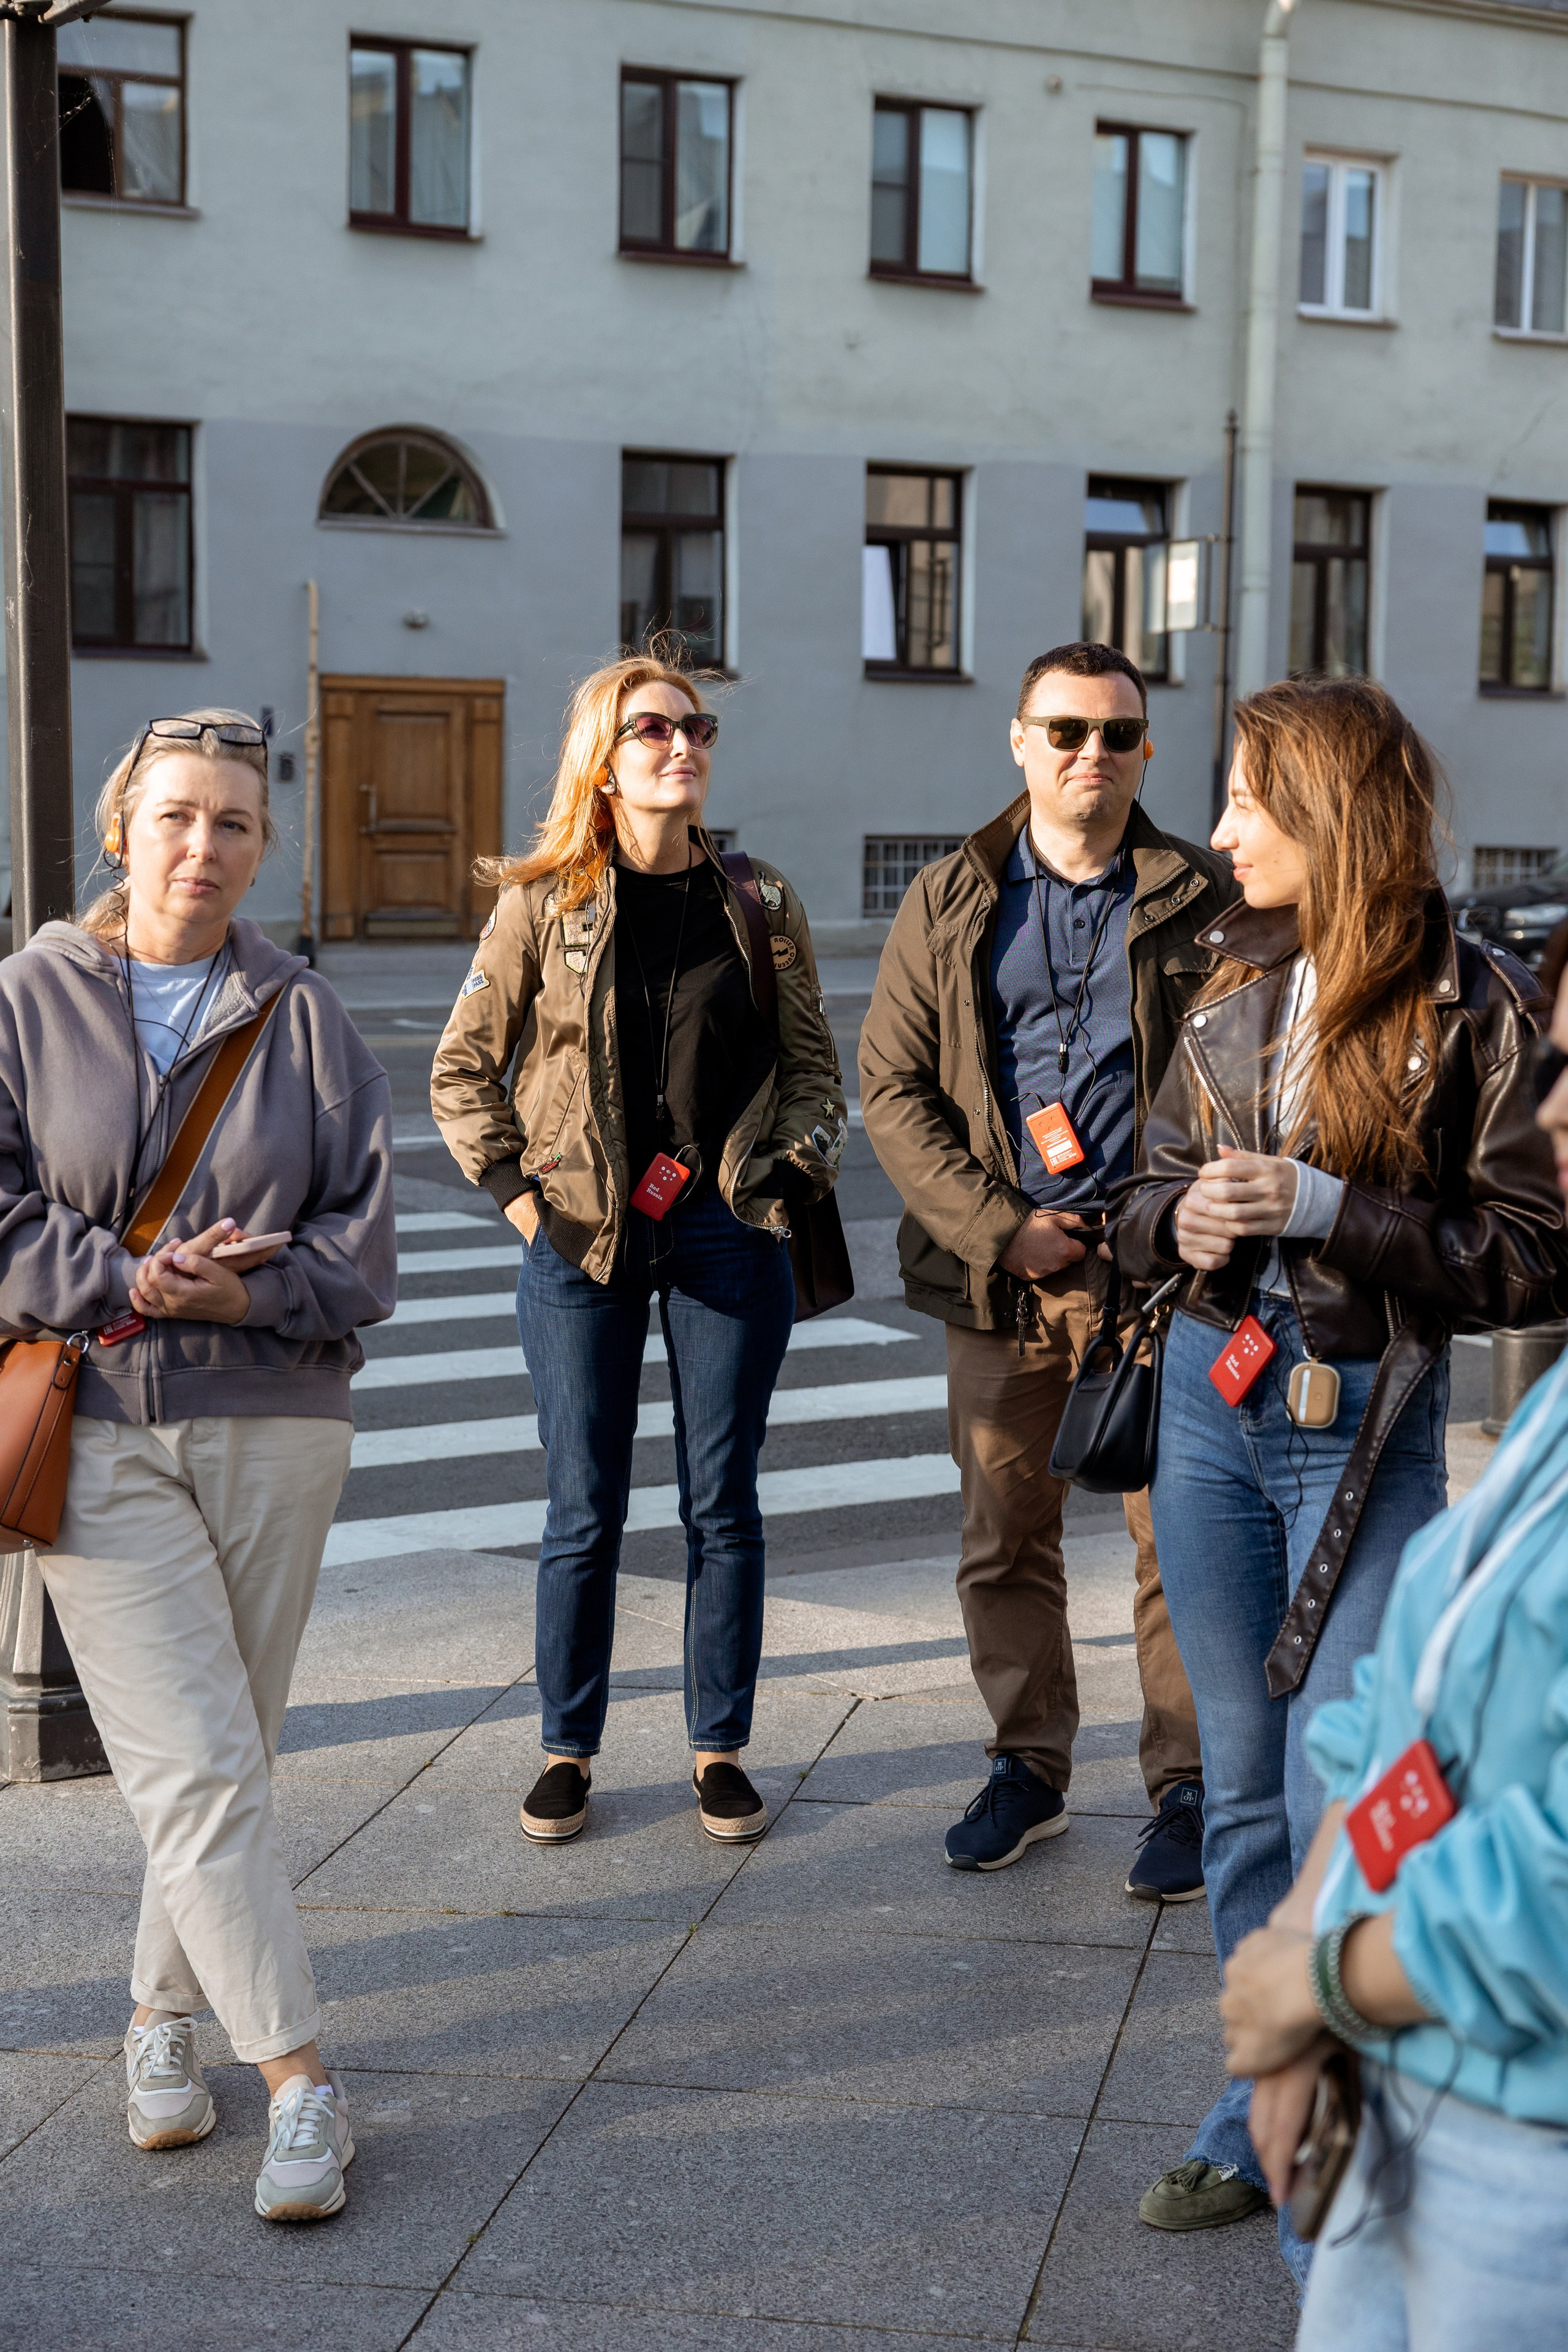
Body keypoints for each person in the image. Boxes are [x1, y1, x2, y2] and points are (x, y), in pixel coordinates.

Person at [1115, 676, 1568, 2269]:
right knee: (1239, 1798)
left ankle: (1354, 2094)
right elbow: (1141, 1184)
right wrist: (1170, 1222)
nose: (1222, 829)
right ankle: (1259, 2097)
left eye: (1249, 800)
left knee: (1345, 1795)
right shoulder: (1222, 968)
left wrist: (1327, 1210)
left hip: (1356, 1426)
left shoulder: (1478, 999)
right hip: (1205, 1404)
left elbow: (1532, 1256)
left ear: (1330, 815)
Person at [0, 711, 396, 2220]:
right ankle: (302, 2080)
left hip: (277, 1419)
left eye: (234, 823)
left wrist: (253, 1290)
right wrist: (124, 1274)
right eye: (177, 816)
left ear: (259, 848)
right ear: (123, 830)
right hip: (93, 1419)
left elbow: (364, 1249)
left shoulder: (304, 1015)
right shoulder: (28, 999)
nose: (203, 846)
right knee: (198, 1761)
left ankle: (161, 2020)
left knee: (227, 1758)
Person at [431, 652, 845, 1847]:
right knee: (584, 1507)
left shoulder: (756, 897)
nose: (682, 745)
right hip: (579, 1237)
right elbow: (463, 1070)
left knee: (723, 1502)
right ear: (602, 762)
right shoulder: (546, 902)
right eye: (652, 729)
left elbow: (813, 1063)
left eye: (696, 726)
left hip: (724, 1230)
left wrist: (788, 1173)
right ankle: (568, 1745)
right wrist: (523, 1203)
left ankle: (719, 1748)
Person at [1216, 971, 1568, 2348]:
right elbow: (1422, 1715)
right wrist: (1313, 1946)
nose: (1547, 1110)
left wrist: (1322, 1978)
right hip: (1425, 2109)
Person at [859, 641, 1232, 1888]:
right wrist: (998, 1225)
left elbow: (1246, 1084)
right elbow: (892, 1089)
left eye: (1117, 734)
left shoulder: (1200, 892)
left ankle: (1184, 1784)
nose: (1091, 755)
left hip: (1156, 1280)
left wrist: (1160, 1225)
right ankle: (1028, 1766)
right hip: (996, 1275)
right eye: (1064, 730)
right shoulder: (948, 895)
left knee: (1173, 1539)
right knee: (1002, 1534)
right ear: (1017, 740)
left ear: (1145, 750)